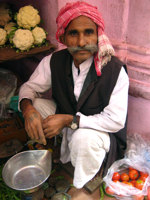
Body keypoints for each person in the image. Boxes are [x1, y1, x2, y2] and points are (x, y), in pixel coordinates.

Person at [19, 1, 129, 189]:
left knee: (83, 139)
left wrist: (71, 120)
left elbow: (116, 120)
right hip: (66, 119)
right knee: (35, 105)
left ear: (97, 35)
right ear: (63, 37)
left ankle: (82, 182)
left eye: (88, 32)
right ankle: (53, 149)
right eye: (73, 33)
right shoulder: (55, 61)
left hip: (97, 133)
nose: (81, 42)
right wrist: (28, 109)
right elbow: (29, 88)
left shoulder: (115, 70)